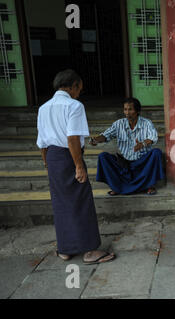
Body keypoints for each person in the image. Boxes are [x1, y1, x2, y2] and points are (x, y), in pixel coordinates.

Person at [36, 69, 115, 264]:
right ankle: (89, 251)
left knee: (61, 203)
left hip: (53, 158)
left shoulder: (43, 108)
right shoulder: (74, 105)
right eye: (79, 89)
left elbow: (42, 142)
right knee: (81, 202)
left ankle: (65, 249)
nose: (79, 93)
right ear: (73, 86)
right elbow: (72, 139)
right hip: (69, 157)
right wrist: (79, 166)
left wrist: (47, 164)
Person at [90, 98, 165, 195]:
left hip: (142, 163)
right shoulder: (119, 124)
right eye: (125, 109)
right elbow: (105, 135)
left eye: (130, 109)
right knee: (103, 157)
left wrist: (142, 144)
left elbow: (153, 137)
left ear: (137, 111)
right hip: (124, 163)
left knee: (156, 153)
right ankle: (117, 187)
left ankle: (149, 186)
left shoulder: (147, 123)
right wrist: (96, 140)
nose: (127, 113)